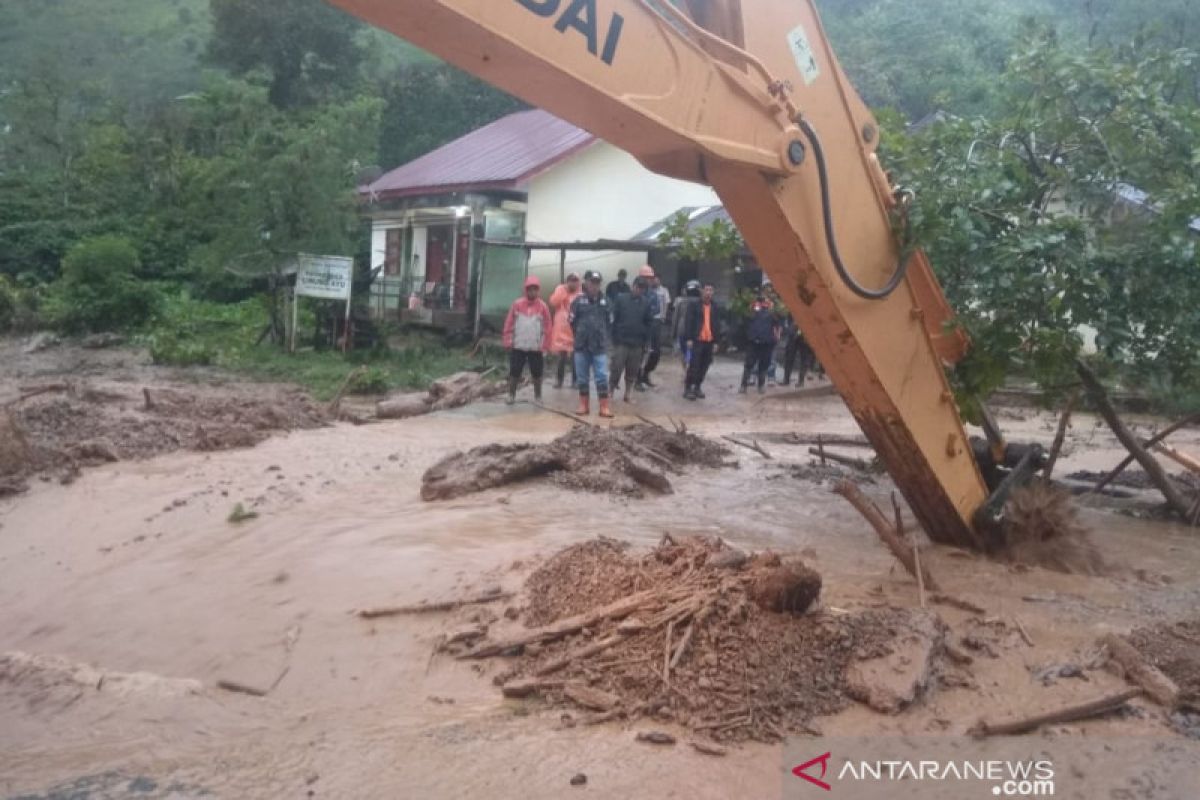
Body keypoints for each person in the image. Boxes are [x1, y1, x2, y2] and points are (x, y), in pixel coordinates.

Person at [501, 275, 552, 404]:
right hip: (518, 345)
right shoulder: (517, 304)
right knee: (514, 372)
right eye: (530, 289)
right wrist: (507, 340)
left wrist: (545, 345)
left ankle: (538, 396)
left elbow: (548, 327)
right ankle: (511, 395)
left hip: (536, 347)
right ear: (526, 290)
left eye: (535, 289)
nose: (532, 292)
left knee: (537, 373)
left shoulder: (543, 307)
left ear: (538, 290)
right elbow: (509, 323)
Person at [569, 270, 613, 418]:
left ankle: (604, 407)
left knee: (601, 376)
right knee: (582, 377)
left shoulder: (606, 302)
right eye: (592, 282)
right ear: (586, 283)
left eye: (597, 283)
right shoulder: (577, 302)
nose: (594, 286)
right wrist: (581, 334)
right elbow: (572, 322)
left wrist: (603, 336)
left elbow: (610, 322)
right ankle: (583, 405)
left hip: (599, 346)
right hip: (581, 345)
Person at [610, 276, 653, 403]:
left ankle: (628, 394)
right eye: (638, 287)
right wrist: (613, 338)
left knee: (633, 370)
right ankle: (610, 391)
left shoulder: (646, 302)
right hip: (621, 341)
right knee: (616, 367)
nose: (639, 290)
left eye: (642, 288)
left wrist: (647, 342)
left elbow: (649, 323)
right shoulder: (621, 299)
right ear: (633, 286)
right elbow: (613, 318)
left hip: (637, 342)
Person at [682, 283, 720, 400]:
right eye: (706, 290)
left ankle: (697, 386)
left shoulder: (715, 307)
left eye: (711, 290)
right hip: (697, 340)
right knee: (694, 365)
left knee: (705, 365)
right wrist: (688, 338)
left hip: (709, 341)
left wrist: (716, 342)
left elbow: (717, 325)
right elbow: (688, 322)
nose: (708, 293)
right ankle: (688, 387)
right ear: (701, 291)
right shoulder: (694, 305)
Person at [637, 265, 670, 390]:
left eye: (650, 278)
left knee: (655, 352)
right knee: (639, 354)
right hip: (639, 327)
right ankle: (637, 379)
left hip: (653, 324)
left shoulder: (653, 294)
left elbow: (656, 309)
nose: (649, 280)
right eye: (646, 278)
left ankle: (646, 373)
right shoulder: (635, 292)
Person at [739, 292, 778, 394]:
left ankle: (761, 385)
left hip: (766, 342)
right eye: (762, 299)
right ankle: (743, 385)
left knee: (764, 365)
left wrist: (772, 308)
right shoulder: (753, 309)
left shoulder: (772, 311)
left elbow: (778, 323)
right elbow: (745, 319)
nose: (764, 301)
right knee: (749, 364)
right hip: (754, 342)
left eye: (765, 299)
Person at [548, 272, 582, 388]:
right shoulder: (560, 290)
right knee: (561, 358)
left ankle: (575, 381)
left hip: (574, 331)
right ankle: (559, 380)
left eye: (575, 281)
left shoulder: (581, 295)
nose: (573, 283)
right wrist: (563, 292)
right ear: (567, 281)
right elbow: (553, 302)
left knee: (575, 358)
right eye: (571, 280)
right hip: (561, 331)